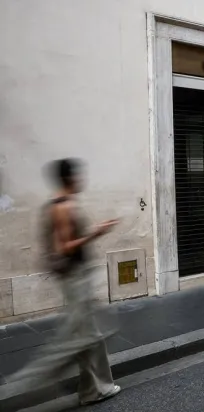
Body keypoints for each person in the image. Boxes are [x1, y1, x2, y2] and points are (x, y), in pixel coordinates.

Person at [11, 158, 121, 406]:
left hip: (77, 277)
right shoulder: (62, 206)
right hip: (75, 279)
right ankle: (32, 380)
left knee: (87, 336)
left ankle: (92, 390)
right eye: (78, 175)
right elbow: (65, 247)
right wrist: (97, 233)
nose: (81, 180)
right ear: (69, 178)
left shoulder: (63, 203)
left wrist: (93, 231)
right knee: (86, 338)